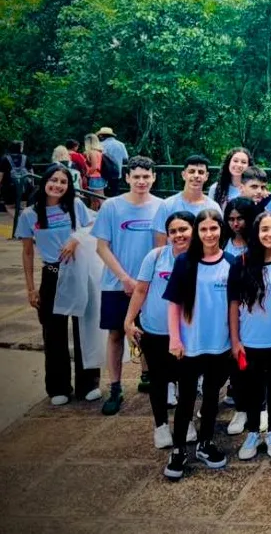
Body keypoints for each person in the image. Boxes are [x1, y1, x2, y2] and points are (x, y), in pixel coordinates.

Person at [16, 164, 99, 405]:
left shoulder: (75, 206)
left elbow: (93, 225)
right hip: (52, 275)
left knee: (83, 328)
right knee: (53, 333)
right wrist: (31, 288)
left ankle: (89, 383)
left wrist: (75, 239)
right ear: (44, 182)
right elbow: (28, 252)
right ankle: (58, 386)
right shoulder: (30, 214)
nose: (58, 185)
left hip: (78, 273)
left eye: (63, 182)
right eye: (53, 180)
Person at [162, 209, 233, 480]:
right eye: (203, 229)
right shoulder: (185, 263)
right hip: (190, 344)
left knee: (212, 396)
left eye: (213, 228)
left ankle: (205, 443)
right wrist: (175, 339)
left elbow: (234, 307)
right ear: (196, 232)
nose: (209, 234)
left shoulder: (230, 262)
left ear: (220, 230)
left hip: (219, 344)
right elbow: (174, 304)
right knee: (186, 399)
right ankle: (179, 449)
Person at [93, 155, 162, 415]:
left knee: (149, 334)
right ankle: (115, 387)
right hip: (115, 283)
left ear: (154, 177)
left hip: (149, 285)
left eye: (146, 176)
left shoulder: (161, 207)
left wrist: (146, 280)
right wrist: (124, 277)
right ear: (127, 178)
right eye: (137, 177)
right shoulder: (111, 207)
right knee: (115, 334)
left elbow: (161, 248)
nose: (142, 181)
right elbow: (102, 246)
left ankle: (148, 375)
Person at [125, 211, 198, 447]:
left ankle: (185, 422)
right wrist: (129, 321)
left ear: (194, 230)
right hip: (155, 330)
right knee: (158, 380)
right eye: (173, 231)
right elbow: (140, 290)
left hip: (189, 332)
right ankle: (161, 426)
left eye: (183, 229)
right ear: (167, 235)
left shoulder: (201, 259)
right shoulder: (156, 257)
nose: (179, 235)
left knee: (186, 380)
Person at [227, 211, 271, 462]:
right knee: (250, 389)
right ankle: (253, 432)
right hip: (249, 340)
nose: (270, 233)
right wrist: (235, 339)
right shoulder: (240, 263)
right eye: (265, 229)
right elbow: (233, 304)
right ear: (256, 232)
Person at [152, 155, 221, 247]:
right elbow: (160, 244)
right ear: (183, 175)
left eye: (200, 172)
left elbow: (219, 241)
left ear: (206, 176)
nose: (196, 176)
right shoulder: (167, 205)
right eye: (191, 171)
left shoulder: (213, 207)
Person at [96, 127, 128, 196]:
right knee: (115, 192)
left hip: (104, 173)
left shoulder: (101, 145)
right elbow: (125, 158)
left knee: (104, 193)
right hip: (117, 172)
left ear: (102, 135)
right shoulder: (121, 144)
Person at [0, 140, 32, 211]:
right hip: (23, 188)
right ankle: (20, 218)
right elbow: (31, 173)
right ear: (20, 148)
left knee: (9, 207)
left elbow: (1, 175)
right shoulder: (25, 158)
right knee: (19, 206)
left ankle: (18, 221)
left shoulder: (5, 158)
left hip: (8, 188)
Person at [83, 134, 106, 198]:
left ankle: (107, 208)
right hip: (100, 176)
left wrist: (86, 175)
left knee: (99, 199)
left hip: (94, 177)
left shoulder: (92, 152)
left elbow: (94, 167)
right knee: (96, 199)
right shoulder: (99, 152)